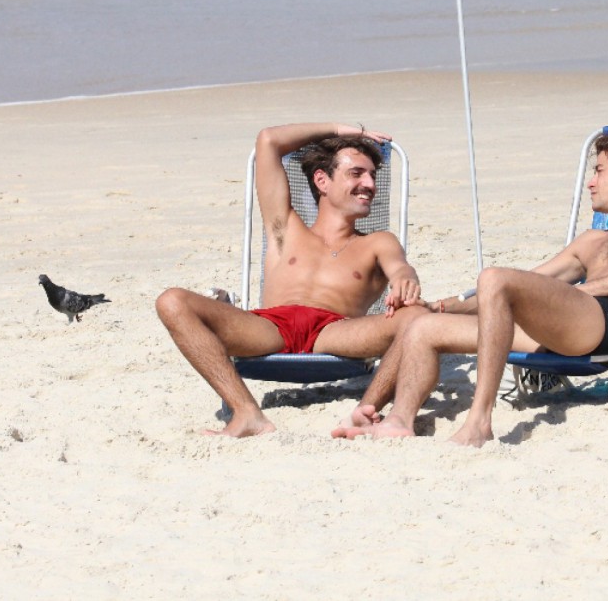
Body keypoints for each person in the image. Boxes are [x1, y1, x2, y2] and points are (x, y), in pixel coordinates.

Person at [332, 128, 608, 447]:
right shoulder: (592, 240)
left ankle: (479, 421)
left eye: (599, 170)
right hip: (571, 324)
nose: (591, 182)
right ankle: (399, 420)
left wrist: (585, 290)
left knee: (494, 276)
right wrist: (439, 307)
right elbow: (522, 287)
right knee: (423, 327)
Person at [156, 122, 424, 437]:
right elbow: (268, 141)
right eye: (357, 173)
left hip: (336, 331)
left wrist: (404, 278)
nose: (369, 184)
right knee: (171, 301)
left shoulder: (378, 242)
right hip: (269, 328)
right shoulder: (285, 227)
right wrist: (341, 131)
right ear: (322, 180)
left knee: (416, 316)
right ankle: (247, 413)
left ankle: (363, 413)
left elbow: (400, 267)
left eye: (372, 176)